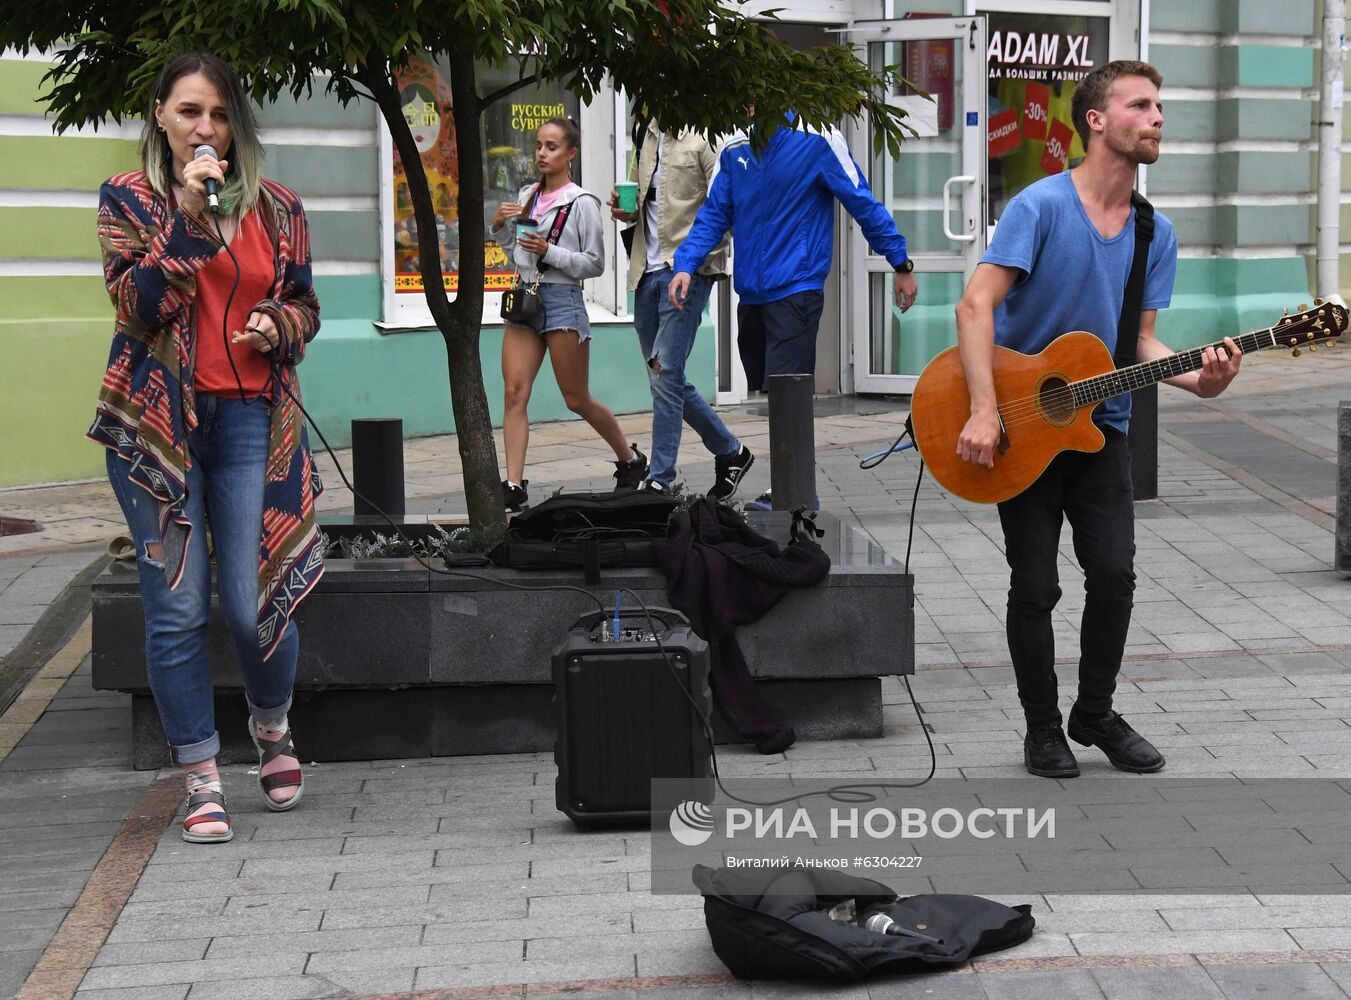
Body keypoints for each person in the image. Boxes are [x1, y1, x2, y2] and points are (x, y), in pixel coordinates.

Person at [952, 60, 1243, 779]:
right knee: (1035, 585)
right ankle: (1041, 728)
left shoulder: (1153, 233)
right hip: (1021, 425)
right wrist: (986, 410)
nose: (1156, 118)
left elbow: (1139, 343)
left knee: (1113, 575)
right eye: (1139, 105)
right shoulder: (1039, 208)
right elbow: (973, 306)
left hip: (1099, 427)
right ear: (1095, 121)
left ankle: (1094, 713)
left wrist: (1200, 380)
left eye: (1158, 106)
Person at [91, 53, 321, 842]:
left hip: (251, 417)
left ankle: (271, 727)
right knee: (178, 606)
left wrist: (277, 325)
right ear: (160, 115)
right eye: (190, 112)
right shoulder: (129, 199)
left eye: (219, 115)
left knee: (253, 596)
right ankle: (199, 776)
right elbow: (137, 304)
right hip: (158, 429)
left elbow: (305, 306)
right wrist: (189, 221)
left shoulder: (280, 209)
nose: (205, 129)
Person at [669, 107, 918, 507]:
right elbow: (714, 213)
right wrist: (685, 265)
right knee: (773, 392)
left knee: (789, 391)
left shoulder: (817, 137)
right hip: (752, 293)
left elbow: (860, 199)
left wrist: (899, 261)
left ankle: (794, 493)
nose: (750, 104)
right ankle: (789, 483)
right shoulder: (735, 146)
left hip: (797, 286)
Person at [491, 116, 647, 510]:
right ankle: (512, 485)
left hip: (563, 302)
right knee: (514, 391)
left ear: (571, 153)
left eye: (552, 147)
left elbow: (595, 264)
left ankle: (630, 460)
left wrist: (551, 252)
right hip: (526, 298)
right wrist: (499, 230)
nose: (542, 153)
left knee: (575, 398)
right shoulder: (527, 195)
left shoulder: (582, 203)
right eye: (539, 145)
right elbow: (519, 256)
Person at [609, 120, 753, 498]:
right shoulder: (646, 136)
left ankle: (661, 479)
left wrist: (697, 260)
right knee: (664, 378)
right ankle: (731, 451)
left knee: (665, 374)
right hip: (645, 272)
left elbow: (727, 205)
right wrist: (625, 212)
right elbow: (642, 202)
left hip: (686, 273)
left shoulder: (708, 137)